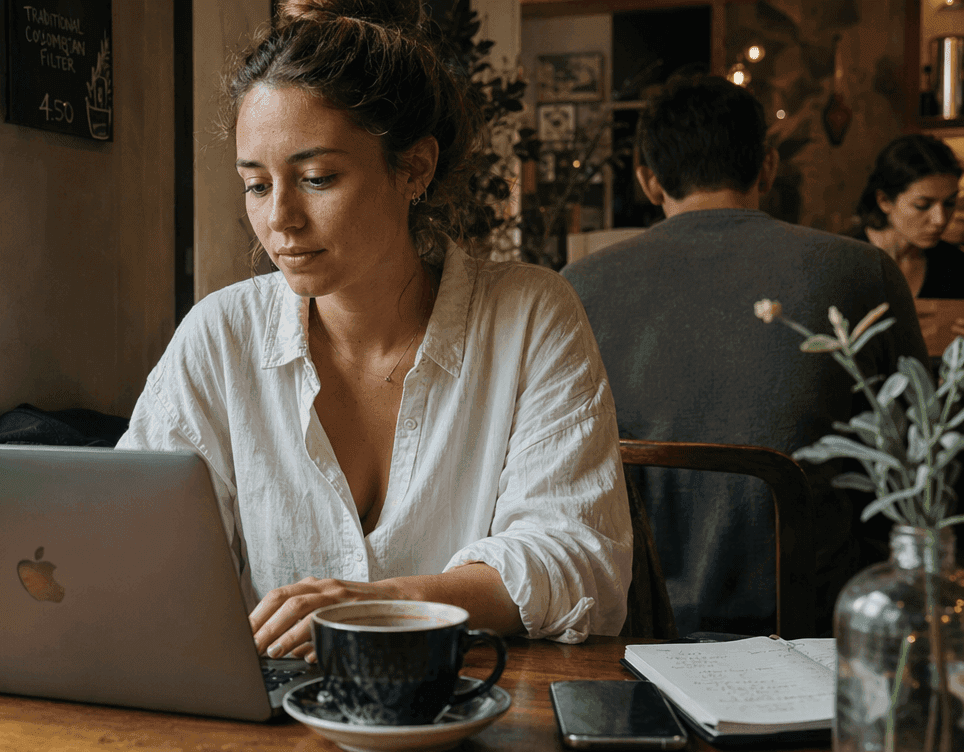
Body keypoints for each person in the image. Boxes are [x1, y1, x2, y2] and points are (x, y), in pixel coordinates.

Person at [116, 0, 632, 658]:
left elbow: (578, 560)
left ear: (414, 168)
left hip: (474, 710)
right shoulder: (220, 336)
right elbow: (134, 547)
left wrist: (386, 605)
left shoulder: (529, 316)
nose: (281, 219)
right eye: (256, 185)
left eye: (317, 178)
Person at [562, 75, 927, 637]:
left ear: (648, 181)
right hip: (818, 632)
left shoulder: (574, 288)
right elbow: (915, 472)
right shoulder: (863, 272)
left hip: (625, 635)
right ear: (768, 167)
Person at [853, 134, 964, 300]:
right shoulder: (844, 260)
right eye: (922, 205)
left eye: (949, 203)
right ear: (884, 201)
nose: (940, 219)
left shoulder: (955, 265)